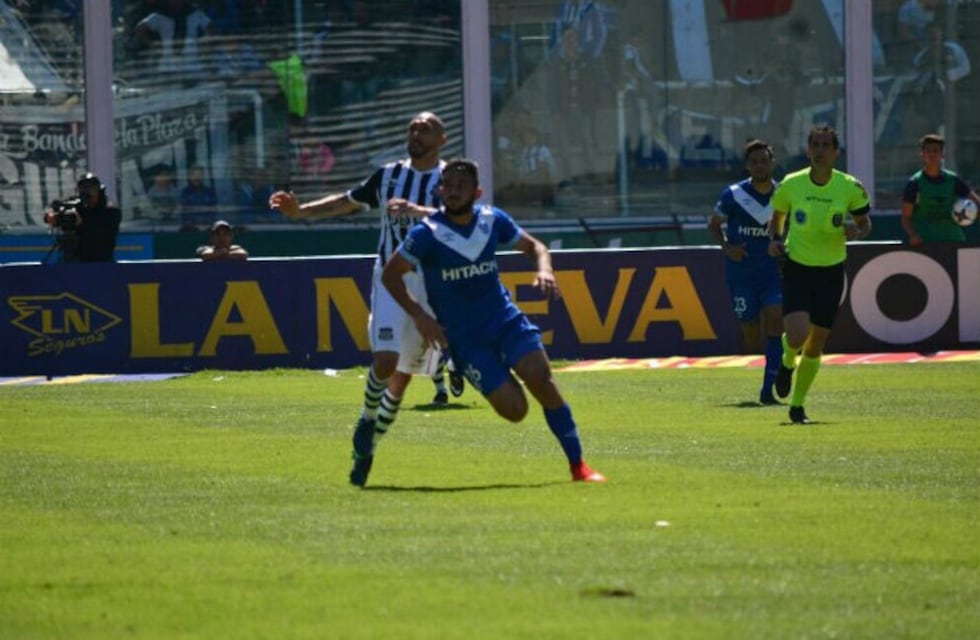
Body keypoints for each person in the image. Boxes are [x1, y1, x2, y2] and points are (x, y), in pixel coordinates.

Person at [381, 158, 607, 486]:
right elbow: (390, 275)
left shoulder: (492, 219)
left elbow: (535, 247)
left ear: (477, 191)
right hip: (466, 340)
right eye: (449, 186)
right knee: (516, 411)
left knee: (540, 378)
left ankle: (579, 466)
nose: (454, 191)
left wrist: (544, 269)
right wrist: (420, 316)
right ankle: (493, 376)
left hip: (504, 320)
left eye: (462, 186)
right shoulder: (426, 234)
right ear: (440, 190)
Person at [268, 111, 464, 485]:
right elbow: (347, 201)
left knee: (403, 377)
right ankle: (366, 417)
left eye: (425, 129)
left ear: (442, 138)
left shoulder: (451, 180)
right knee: (387, 361)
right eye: (412, 128)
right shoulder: (389, 174)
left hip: (433, 286)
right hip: (391, 276)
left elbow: (462, 222)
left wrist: (417, 211)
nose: (417, 133)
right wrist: (300, 211)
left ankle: (367, 449)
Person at [767, 125, 872, 425]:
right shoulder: (791, 184)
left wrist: (857, 231)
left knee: (815, 345)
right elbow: (777, 218)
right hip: (798, 266)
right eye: (815, 144)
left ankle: (797, 406)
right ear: (808, 149)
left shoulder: (850, 187)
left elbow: (864, 223)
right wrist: (775, 240)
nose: (820, 150)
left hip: (831, 271)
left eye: (826, 145)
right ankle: (787, 361)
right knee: (798, 334)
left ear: (836, 152)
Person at [707, 139, 783, 405]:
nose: (760, 165)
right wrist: (727, 247)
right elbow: (714, 224)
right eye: (755, 162)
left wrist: (784, 245)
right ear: (747, 165)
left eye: (764, 160)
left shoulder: (784, 194)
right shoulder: (734, 195)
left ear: (772, 162)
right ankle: (773, 365)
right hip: (741, 275)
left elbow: (796, 226)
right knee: (751, 334)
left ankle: (769, 389)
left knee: (775, 322)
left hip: (773, 273)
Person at [901, 133, 980, 246]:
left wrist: (973, 214)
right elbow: (906, 217)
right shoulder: (914, 183)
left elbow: (976, 202)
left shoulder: (953, 180)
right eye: (928, 151)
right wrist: (913, 235)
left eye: (936, 150)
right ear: (922, 155)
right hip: (926, 243)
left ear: (943, 154)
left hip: (953, 240)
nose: (932, 154)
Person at [43, 172, 121, 263]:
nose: (87, 191)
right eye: (83, 187)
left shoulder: (111, 210)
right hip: (74, 259)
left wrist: (81, 223)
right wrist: (51, 215)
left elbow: (101, 232)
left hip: (101, 261)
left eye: (91, 187)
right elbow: (56, 206)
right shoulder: (75, 204)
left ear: (99, 190)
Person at [179, 164, 218, 229]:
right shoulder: (185, 193)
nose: (197, 178)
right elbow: (184, 211)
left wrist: (207, 222)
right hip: (190, 227)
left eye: (199, 175)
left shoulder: (209, 192)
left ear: (203, 176)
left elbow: (213, 210)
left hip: (207, 225)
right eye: (194, 175)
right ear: (190, 176)